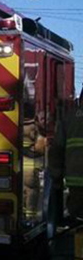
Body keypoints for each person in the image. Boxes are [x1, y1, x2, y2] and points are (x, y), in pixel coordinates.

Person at [51, 89, 83, 221]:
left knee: (78, 219)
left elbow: (57, 149)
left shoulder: (69, 118)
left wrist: (57, 176)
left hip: (76, 180)